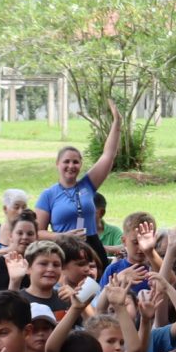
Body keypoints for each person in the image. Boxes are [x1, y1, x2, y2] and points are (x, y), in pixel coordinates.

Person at [34, 102, 122, 248]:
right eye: (66, 162)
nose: (71, 166)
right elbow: (37, 233)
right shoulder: (48, 195)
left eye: (75, 162)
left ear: (81, 164)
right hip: (65, 248)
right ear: (57, 164)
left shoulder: (88, 185)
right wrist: (61, 236)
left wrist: (117, 122)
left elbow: (108, 155)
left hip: (92, 247)